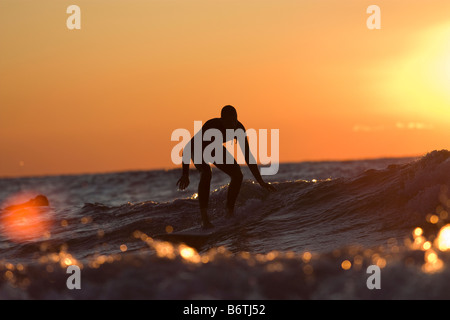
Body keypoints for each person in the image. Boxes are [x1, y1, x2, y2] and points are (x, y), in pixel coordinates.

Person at [176, 105, 276, 228]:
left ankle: (229, 212)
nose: (232, 125)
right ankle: (205, 219)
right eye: (228, 122)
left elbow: (248, 156)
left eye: (234, 121)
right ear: (222, 120)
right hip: (197, 148)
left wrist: (260, 181)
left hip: (215, 148)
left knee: (238, 175)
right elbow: (187, 148)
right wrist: (185, 174)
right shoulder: (211, 126)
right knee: (206, 172)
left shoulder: (239, 129)